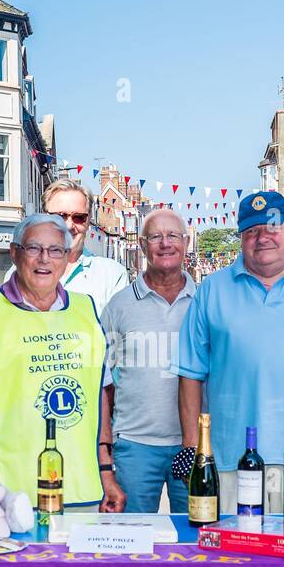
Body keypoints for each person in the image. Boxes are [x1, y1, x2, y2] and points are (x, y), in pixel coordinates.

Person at [175, 190, 284, 513]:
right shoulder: (212, 290)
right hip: (230, 457)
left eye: (272, 227)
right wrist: (193, 446)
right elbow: (190, 374)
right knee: (234, 556)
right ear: (242, 237)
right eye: (252, 231)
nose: (262, 238)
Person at [0, 213, 123, 510]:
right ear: (15, 253)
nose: (44, 259)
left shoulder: (86, 310)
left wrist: (106, 473)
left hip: (83, 487)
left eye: (55, 251)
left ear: (66, 258)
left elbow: (100, 396)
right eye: (33, 248)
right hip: (6, 487)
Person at [101, 211, 196, 514]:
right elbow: (104, 381)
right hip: (134, 446)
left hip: (193, 445)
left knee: (196, 538)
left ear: (186, 242)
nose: (165, 243)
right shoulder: (120, 305)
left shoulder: (205, 301)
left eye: (173, 236)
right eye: (155, 236)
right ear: (142, 245)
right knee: (133, 542)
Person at [43, 180, 129, 316]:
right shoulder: (19, 274)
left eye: (78, 218)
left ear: (89, 222)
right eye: (60, 216)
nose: (69, 225)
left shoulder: (113, 275)